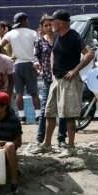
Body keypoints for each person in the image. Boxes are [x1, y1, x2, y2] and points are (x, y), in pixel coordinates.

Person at [33, 10, 94, 157]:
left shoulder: (73, 36)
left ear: (60, 22)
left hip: (69, 82)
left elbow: (89, 53)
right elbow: (54, 52)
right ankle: (47, 145)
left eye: (53, 21)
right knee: (49, 113)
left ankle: (71, 147)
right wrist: (54, 73)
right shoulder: (58, 36)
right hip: (57, 80)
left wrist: (74, 70)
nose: (51, 24)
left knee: (69, 115)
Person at [34, 14, 67, 146]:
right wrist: (36, 65)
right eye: (45, 25)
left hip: (62, 79)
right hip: (48, 79)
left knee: (63, 109)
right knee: (45, 110)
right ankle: (40, 138)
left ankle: (61, 139)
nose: (48, 27)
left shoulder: (61, 39)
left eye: (50, 24)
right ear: (42, 27)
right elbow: (35, 57)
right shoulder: (40, 41)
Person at [1, 12, 39, 115]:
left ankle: (22, 116)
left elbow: (0, 46)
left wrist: (8, 58)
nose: (28, 22)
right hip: (30, 64)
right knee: (34, 93)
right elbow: (38, 48)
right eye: (27, 20)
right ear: (24, 21)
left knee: (19, 93)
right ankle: (38, 115)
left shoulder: (10, 33)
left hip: (17, 65)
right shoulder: (33, 33)